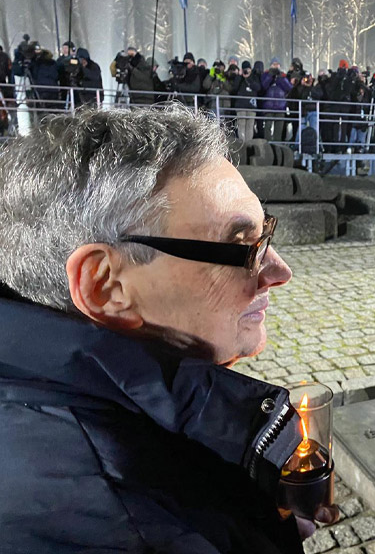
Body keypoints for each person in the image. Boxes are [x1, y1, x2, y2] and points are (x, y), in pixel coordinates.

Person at [0, 105, 337, 553]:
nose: (279, 271)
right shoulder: (119, 528)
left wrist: (251, 522)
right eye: (241, 246)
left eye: (265, 236)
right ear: (106, 285)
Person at [261, 57, 292, 142]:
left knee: (279, 128)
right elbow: (263, 86)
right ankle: (267, 145)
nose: (275, 67)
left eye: (277, 64)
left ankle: (277, 146)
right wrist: (270, 76)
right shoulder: (265, 75)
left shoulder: (283, 76)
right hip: (268, 106)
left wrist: (280, 78)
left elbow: (289, 88)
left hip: (280, 106)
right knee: (267, 127)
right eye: (273, 64)